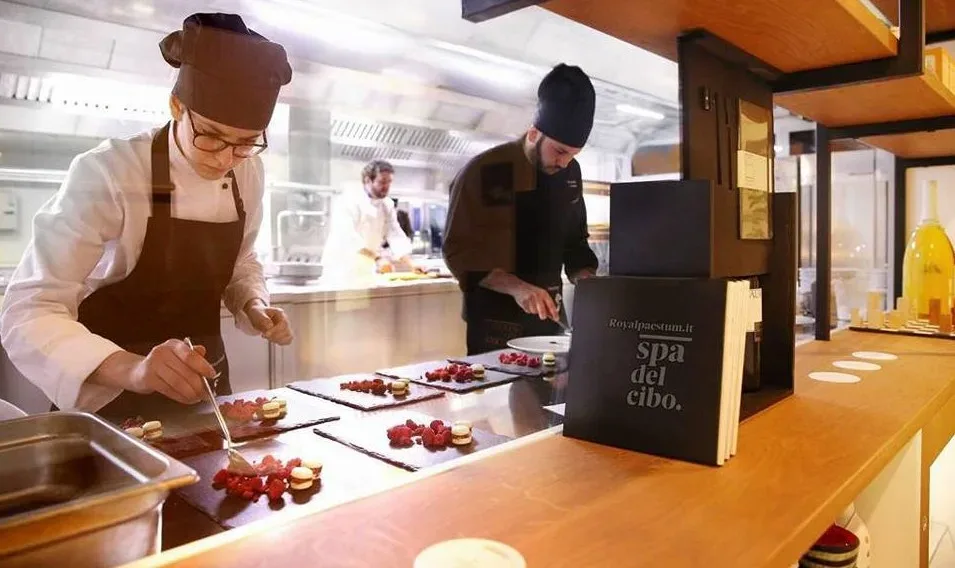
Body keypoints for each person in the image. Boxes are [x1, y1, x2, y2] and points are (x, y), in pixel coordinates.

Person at [0, 13, 294, 416]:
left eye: (244, 143)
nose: (227, 158)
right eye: (209, 136)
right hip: (109, 400)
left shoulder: (248, 171)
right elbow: (28, 309)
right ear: (176, 106)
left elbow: (241, 260)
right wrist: (134, 369)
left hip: (206, 395)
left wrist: (253, 304)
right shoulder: (110, 171)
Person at [443, 63, 599, 355]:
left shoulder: (569, 173)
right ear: (533, 133)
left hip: (549, 324)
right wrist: (519, 288)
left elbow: (574, 243)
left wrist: (588, 280)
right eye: (560, 151)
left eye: (574, 155)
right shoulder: (491, 170)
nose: (565, 163)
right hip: (495, 327)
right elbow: (460, 254)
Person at [321, 160, 416, 278]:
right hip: (341, 268)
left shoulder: (387, 204)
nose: (386, 187)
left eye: (389, 182)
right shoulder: (348, 200)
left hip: (366, 268)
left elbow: (395, 234)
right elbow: (349, 237)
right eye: (382, 182)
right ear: (367, 180)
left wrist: (411, 264)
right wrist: (378, 258)